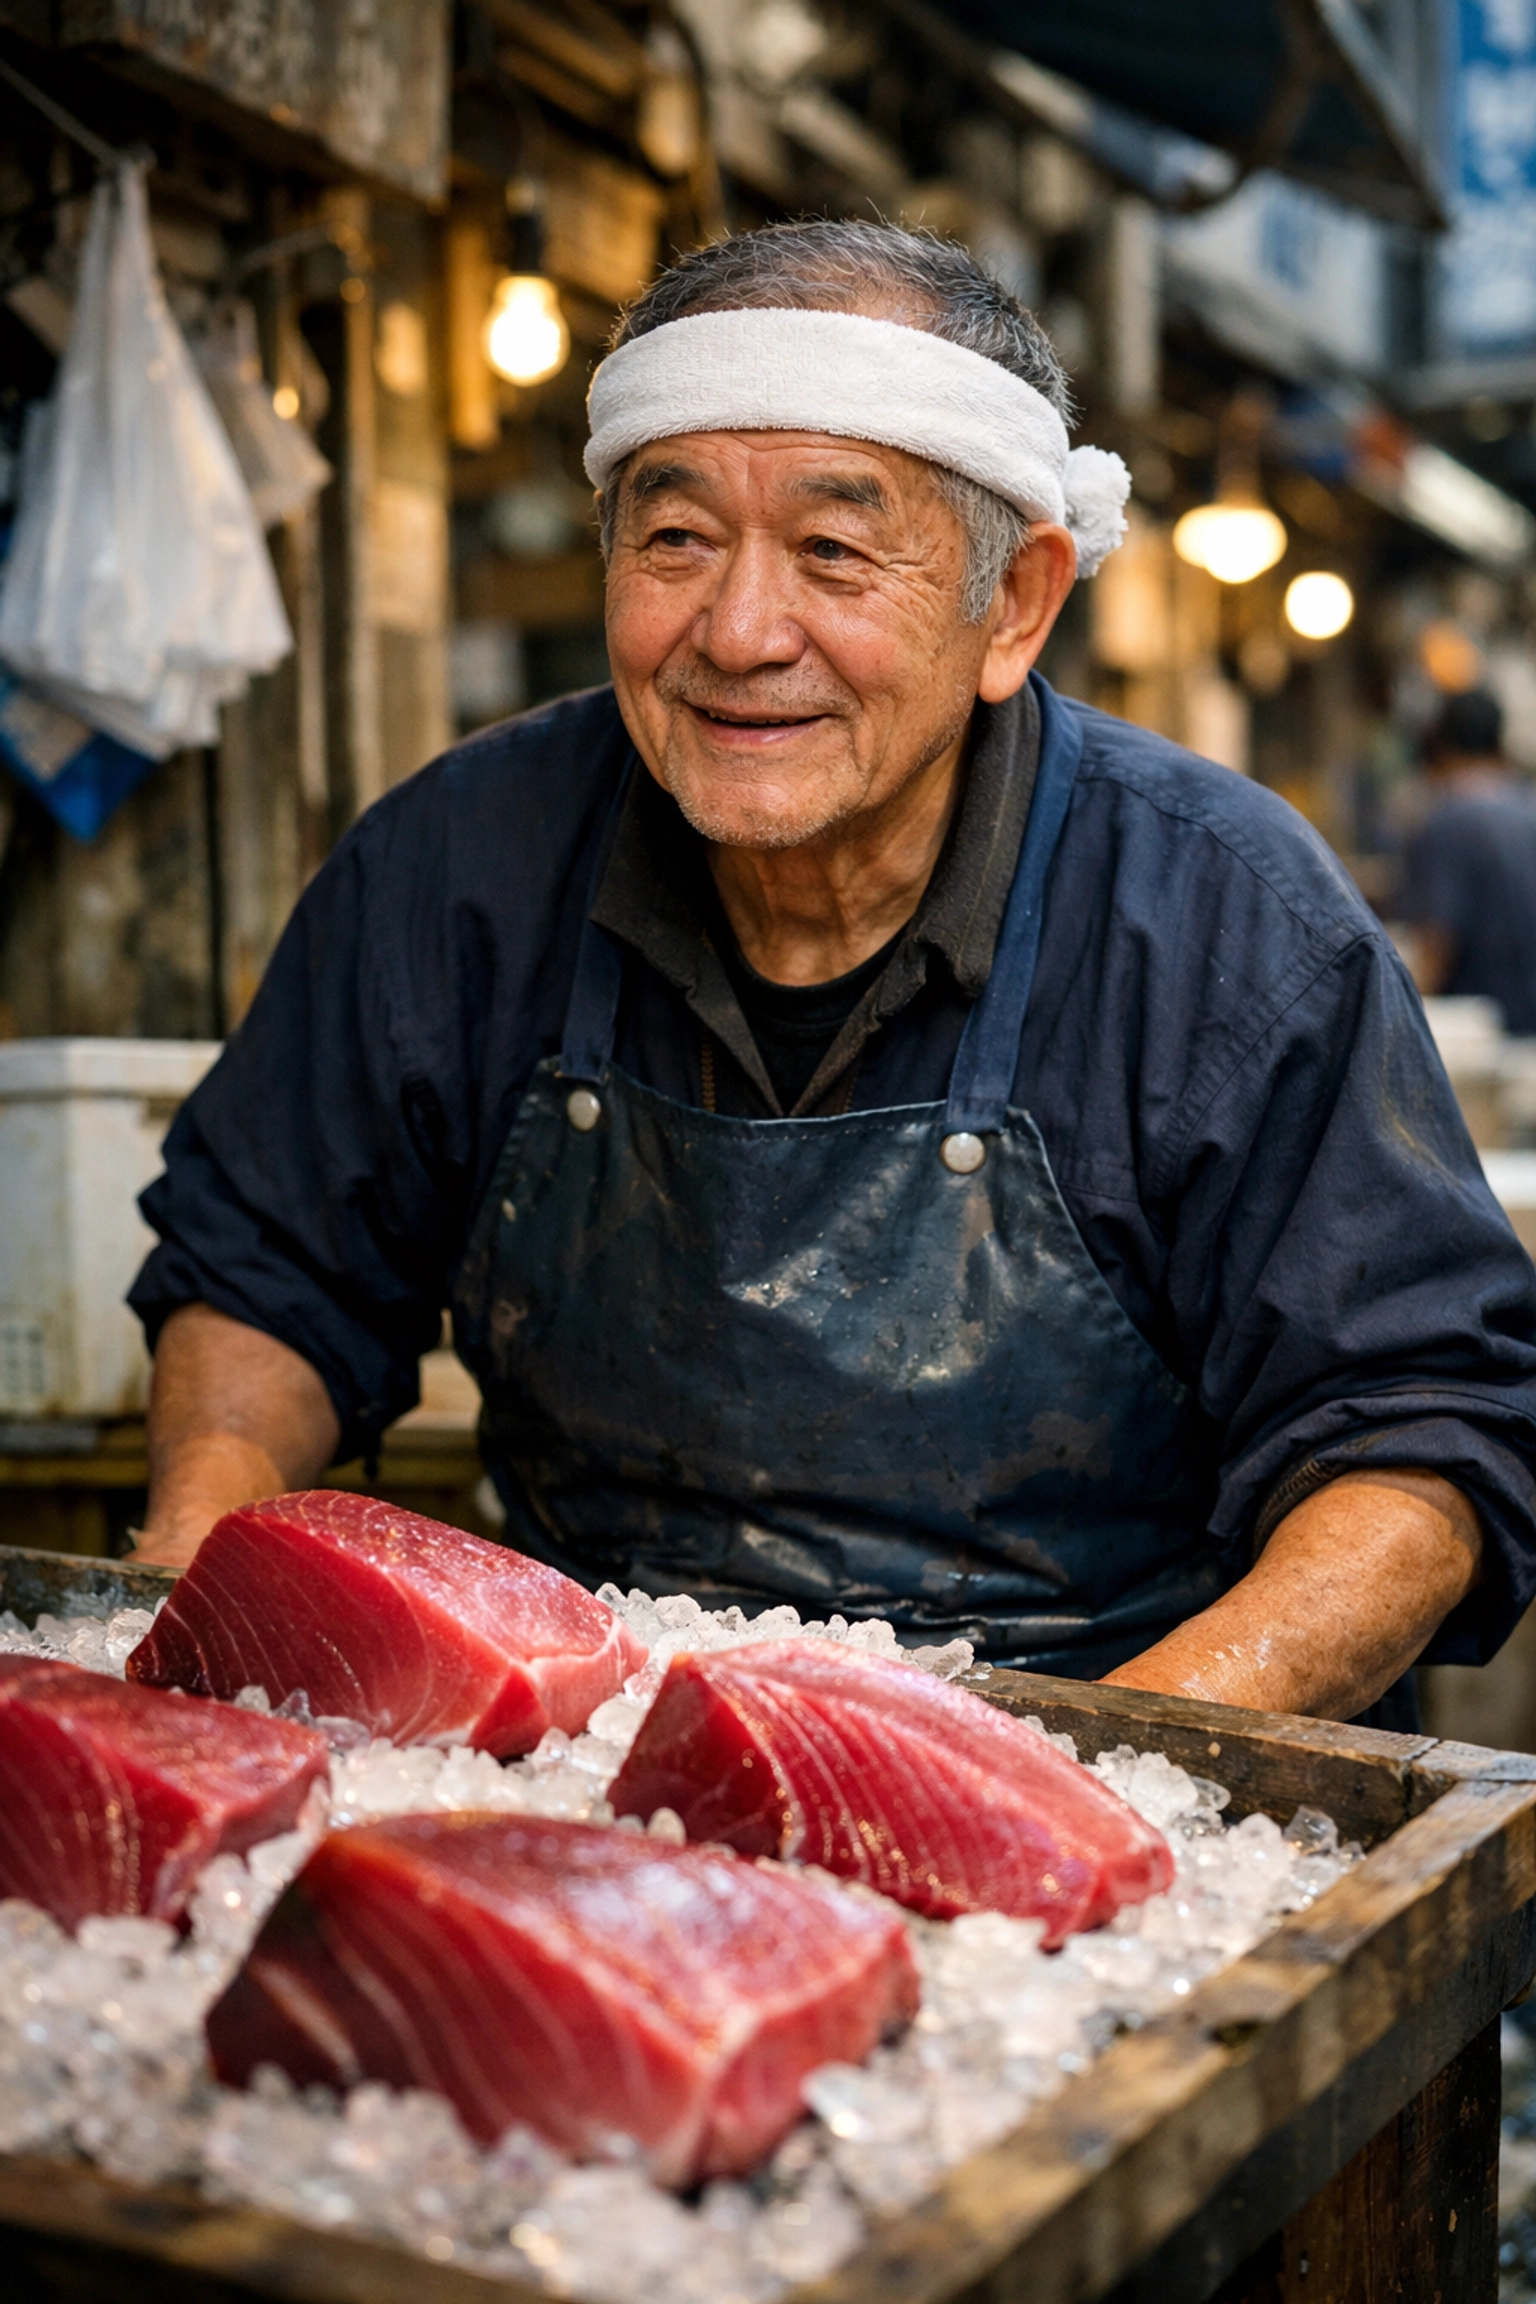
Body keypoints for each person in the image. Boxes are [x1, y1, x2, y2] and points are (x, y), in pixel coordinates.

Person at [128, 222, 1536, 1729]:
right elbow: (268, 1270)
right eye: (674, 540)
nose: (738, 634)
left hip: (1122, 1746)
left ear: (1015, 608)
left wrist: (1101, 1767)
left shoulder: (1225, 917)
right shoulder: (458, 863)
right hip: (601, 1758)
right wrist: (192, 1566)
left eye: (834, 552)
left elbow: (1420, 1438)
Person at [1402, 687, 1536, 1036]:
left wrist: (1397, 1021)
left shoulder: (1448, 821)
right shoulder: (1528, 807)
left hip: (1489, 1038)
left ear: (1441, 747)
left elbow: (1438, 944)